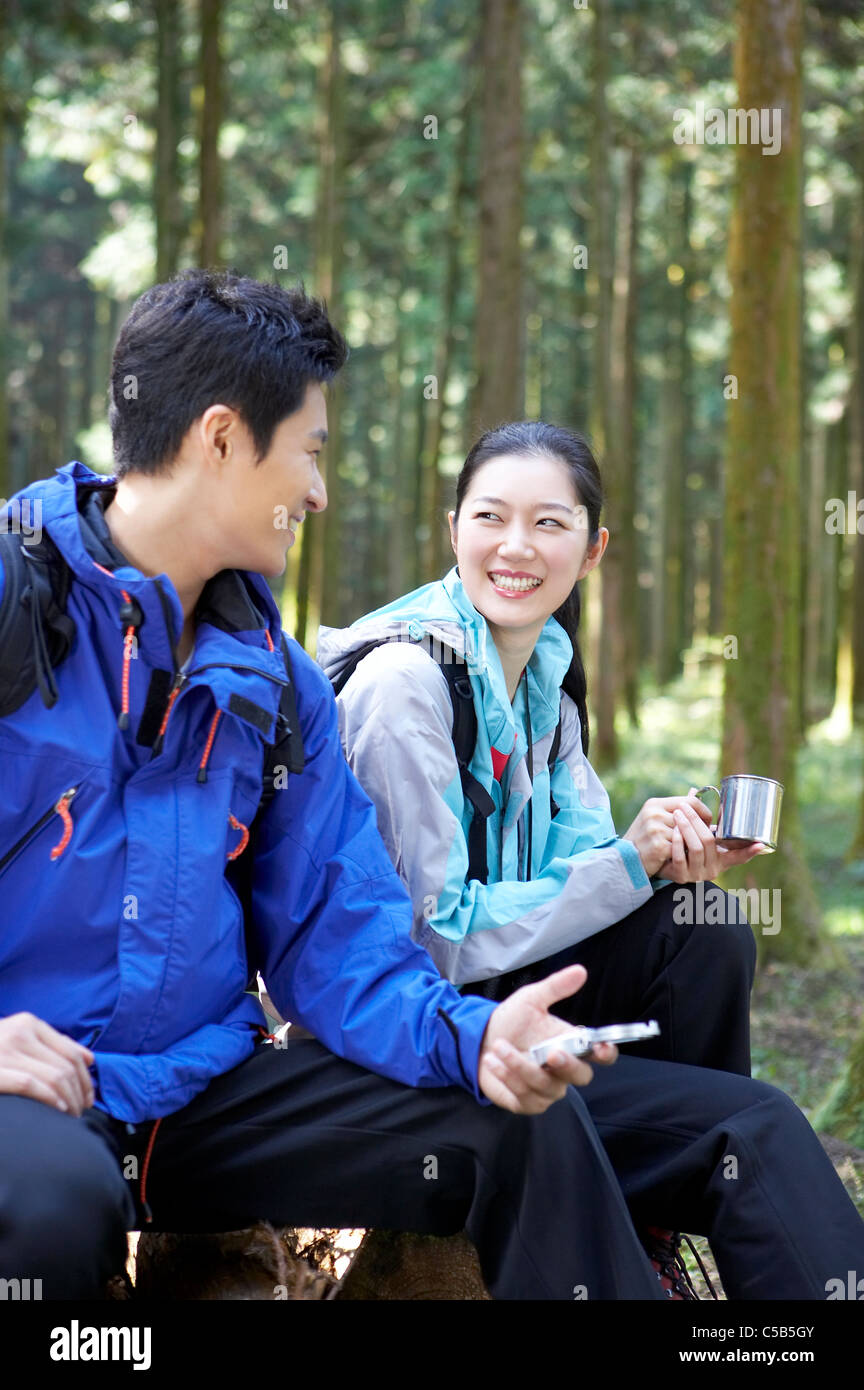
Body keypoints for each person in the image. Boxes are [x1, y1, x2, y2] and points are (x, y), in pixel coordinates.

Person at [0, 270, 697, 1303]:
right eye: (311, 453)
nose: (320, 493)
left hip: (198, 1097)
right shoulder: (18, 609)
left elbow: (344, 943)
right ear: (223, 438)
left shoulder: (277, 680)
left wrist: (479, 1038)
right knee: (48, 1206)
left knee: (516, 1121)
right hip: (31, 1100)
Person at [318, 419, 864, 1298]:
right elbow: (432, 944)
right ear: (451, 527)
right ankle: (668, 1194)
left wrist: (662, 865)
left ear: (593, 547)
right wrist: (623, 867)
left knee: (703, 924)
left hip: (517, 997)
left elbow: (587, 876)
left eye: (549, 523)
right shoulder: (403, 688)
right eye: (491, 517)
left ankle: (643, 1218)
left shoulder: (546, 683)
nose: (515, 547)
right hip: (424, 1040)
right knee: (750, 1125)